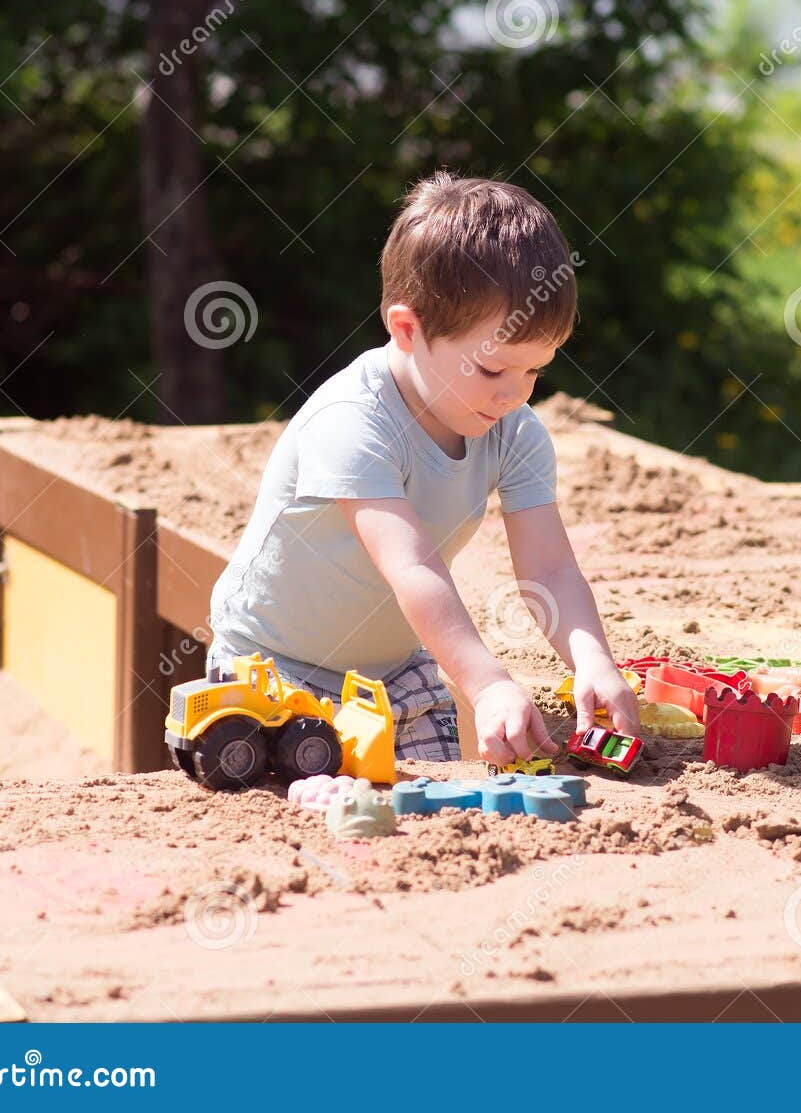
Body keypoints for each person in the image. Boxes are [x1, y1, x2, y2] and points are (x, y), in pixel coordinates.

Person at [206, 172, 639, 767]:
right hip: (276, 667)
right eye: (493, 371)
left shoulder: (514, 429)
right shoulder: (353, 422)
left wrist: (592, 659)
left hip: (398, 667)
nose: (515, 393)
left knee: (426, 811)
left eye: (535, 371)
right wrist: (486, 685)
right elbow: (413, 568)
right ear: (407, 329)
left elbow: (551, 568)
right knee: (307, 813)